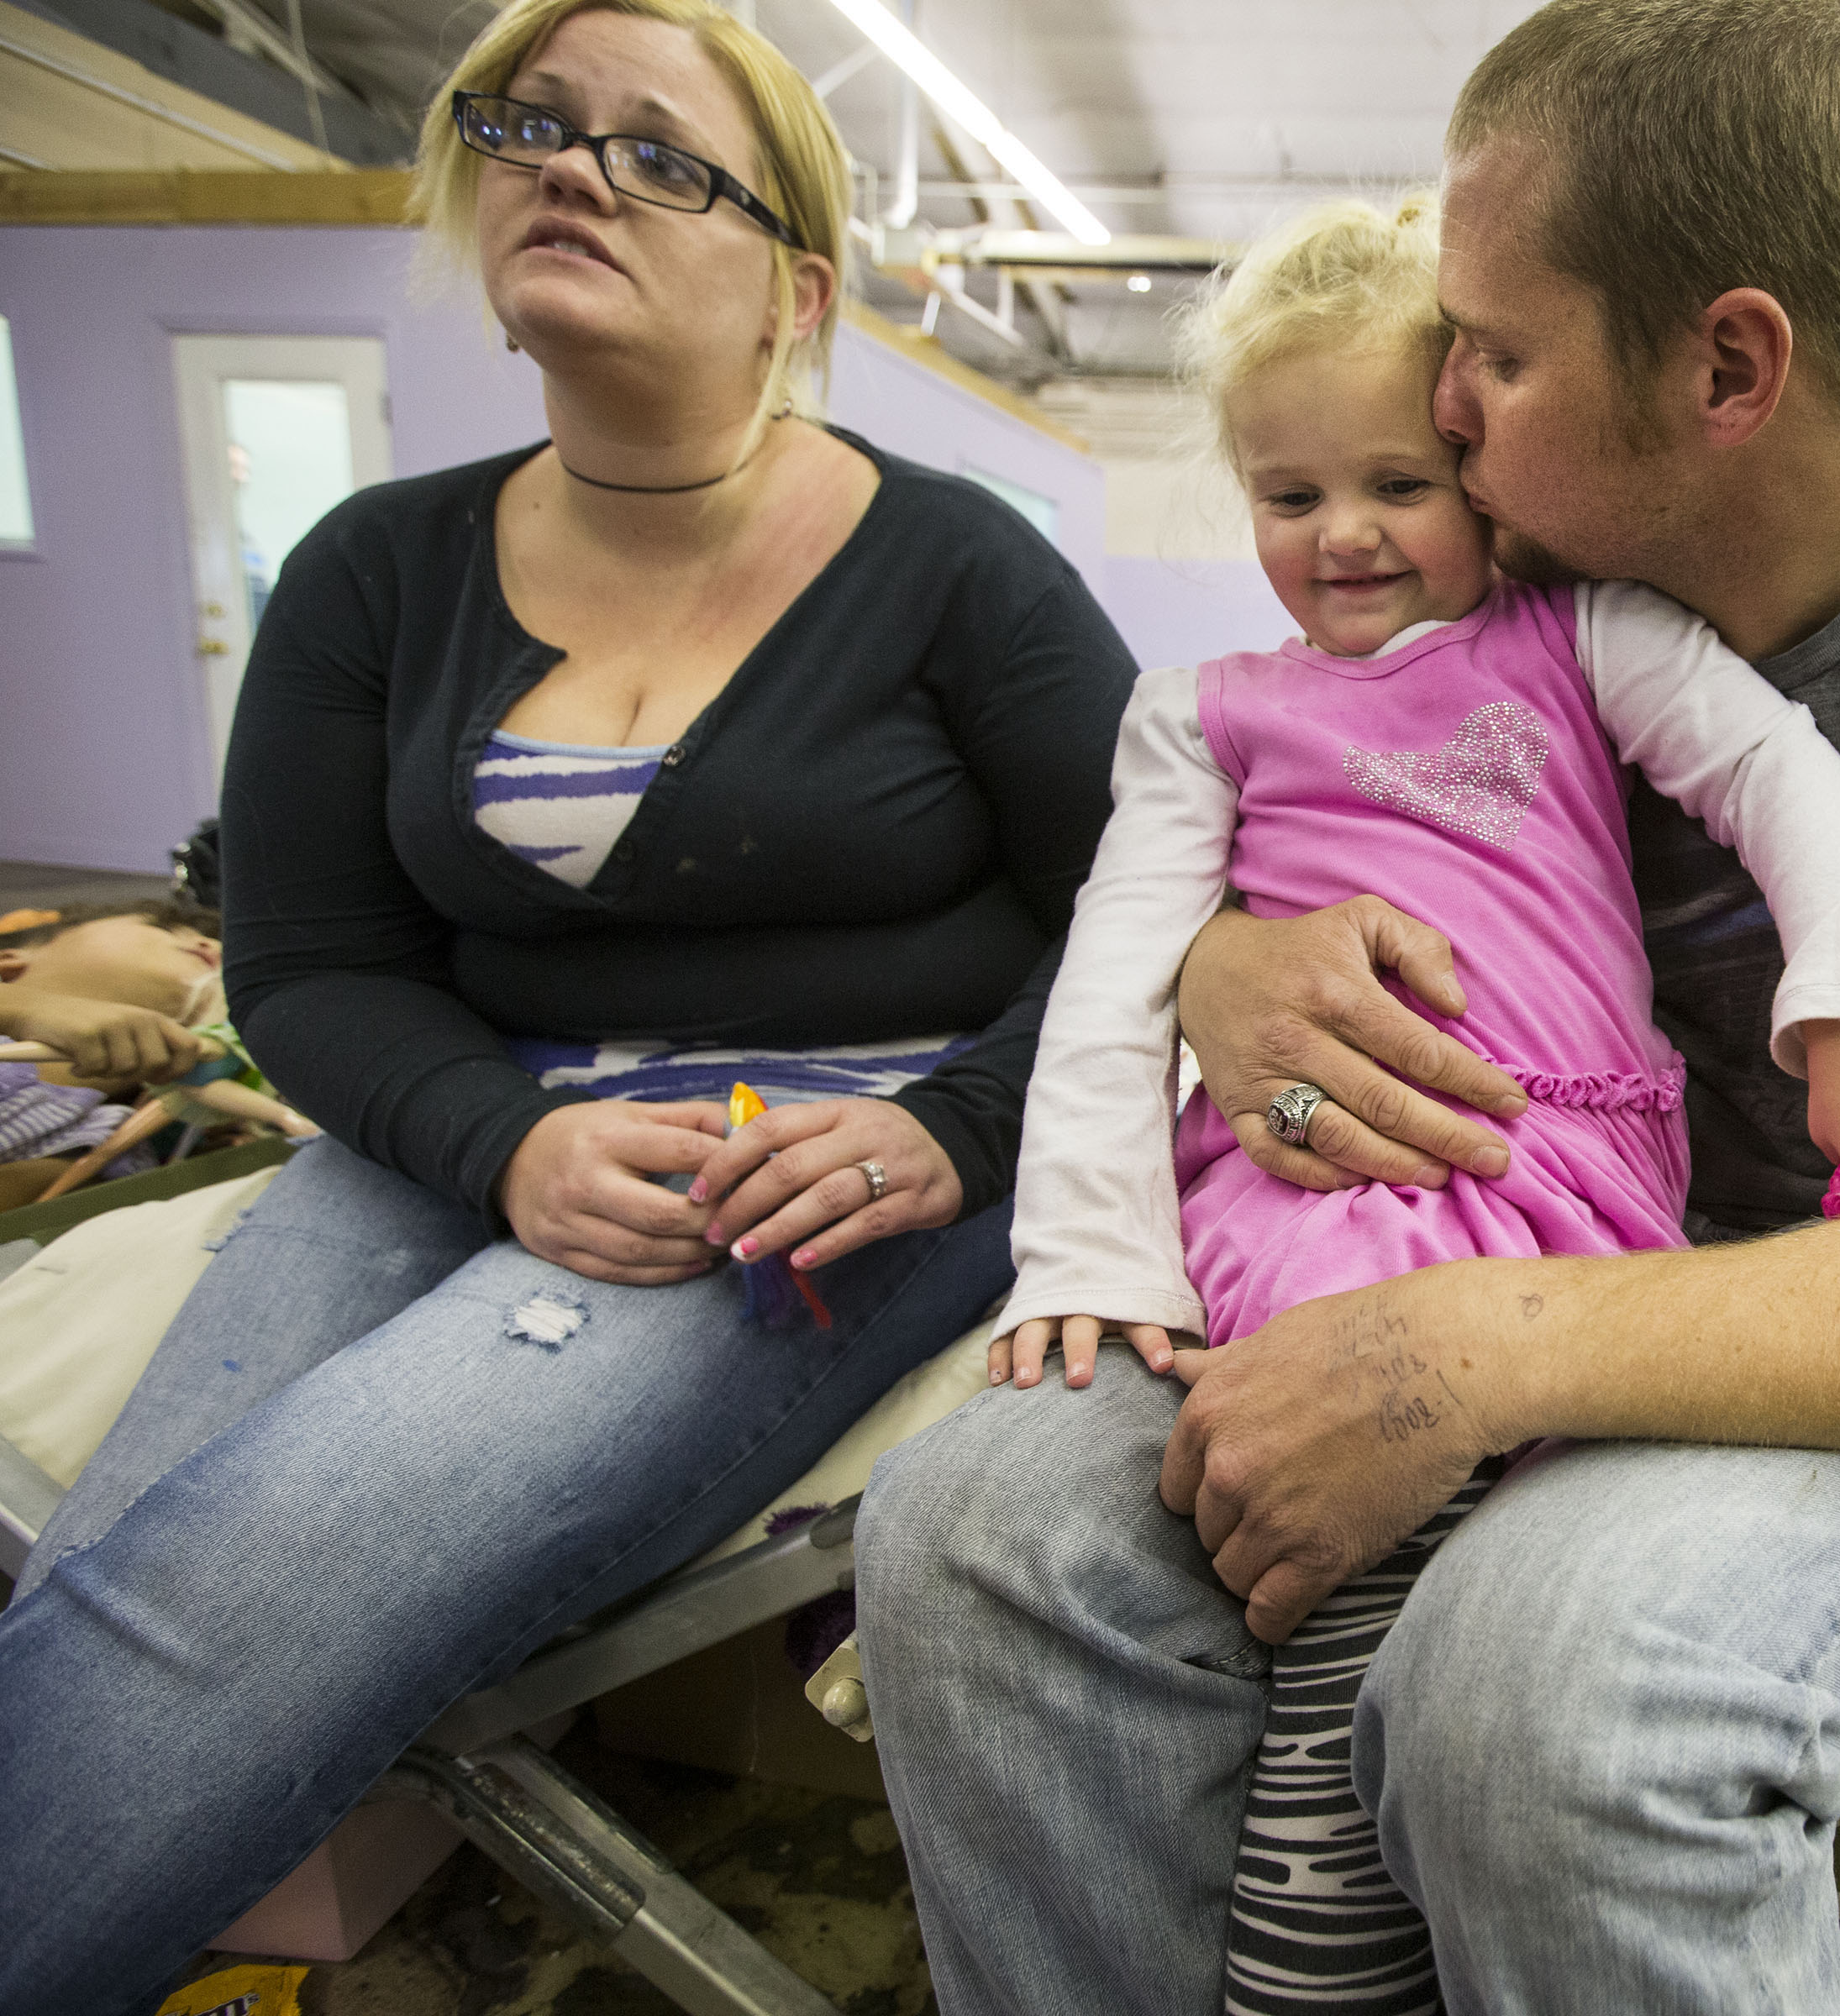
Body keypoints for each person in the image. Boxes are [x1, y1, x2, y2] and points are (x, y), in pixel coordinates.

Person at [854, 3, 1840, 2010]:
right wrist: (1212, 964)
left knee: (1538, 1696)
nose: (1444, 402)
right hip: (1401, 1224)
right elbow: (1247, 813)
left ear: (1726, 365)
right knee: (970, 1533)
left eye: (1492, 356)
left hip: (1825, 1313)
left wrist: (1469, 1348)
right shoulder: (1463, 580)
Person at [0, 0, 1132, 2004]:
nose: (573, 165)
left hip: (814, 1151)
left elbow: (1151, 917)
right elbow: (314, 961)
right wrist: (502, 1137)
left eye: (656, 150)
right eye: (532, 122)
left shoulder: (953, 568)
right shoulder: (373, 566)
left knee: (248, 1584)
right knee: (126, 1546)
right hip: (476, 1106)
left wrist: (952, 1135)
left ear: (791, 284)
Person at [988, 197, 1840, 2016]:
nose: (1343, 536)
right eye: (1288, 500)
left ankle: (1356, 1934)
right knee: (1316, 1614)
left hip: (1561, 1188)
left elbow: (1786, 784)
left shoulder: (1580, 634)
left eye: (1393, 484)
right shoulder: (1198, 715)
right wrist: (1083, 1249)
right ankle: (1311, 1961)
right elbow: (1116, 982)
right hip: (1316, 1200)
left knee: (1444, 1622)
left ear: (1479, 472)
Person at [0, 901, 221, 1207]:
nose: (213, 945)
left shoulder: (104, 1148)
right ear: (10, 963)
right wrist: (17, 1007)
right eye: (165, 928)